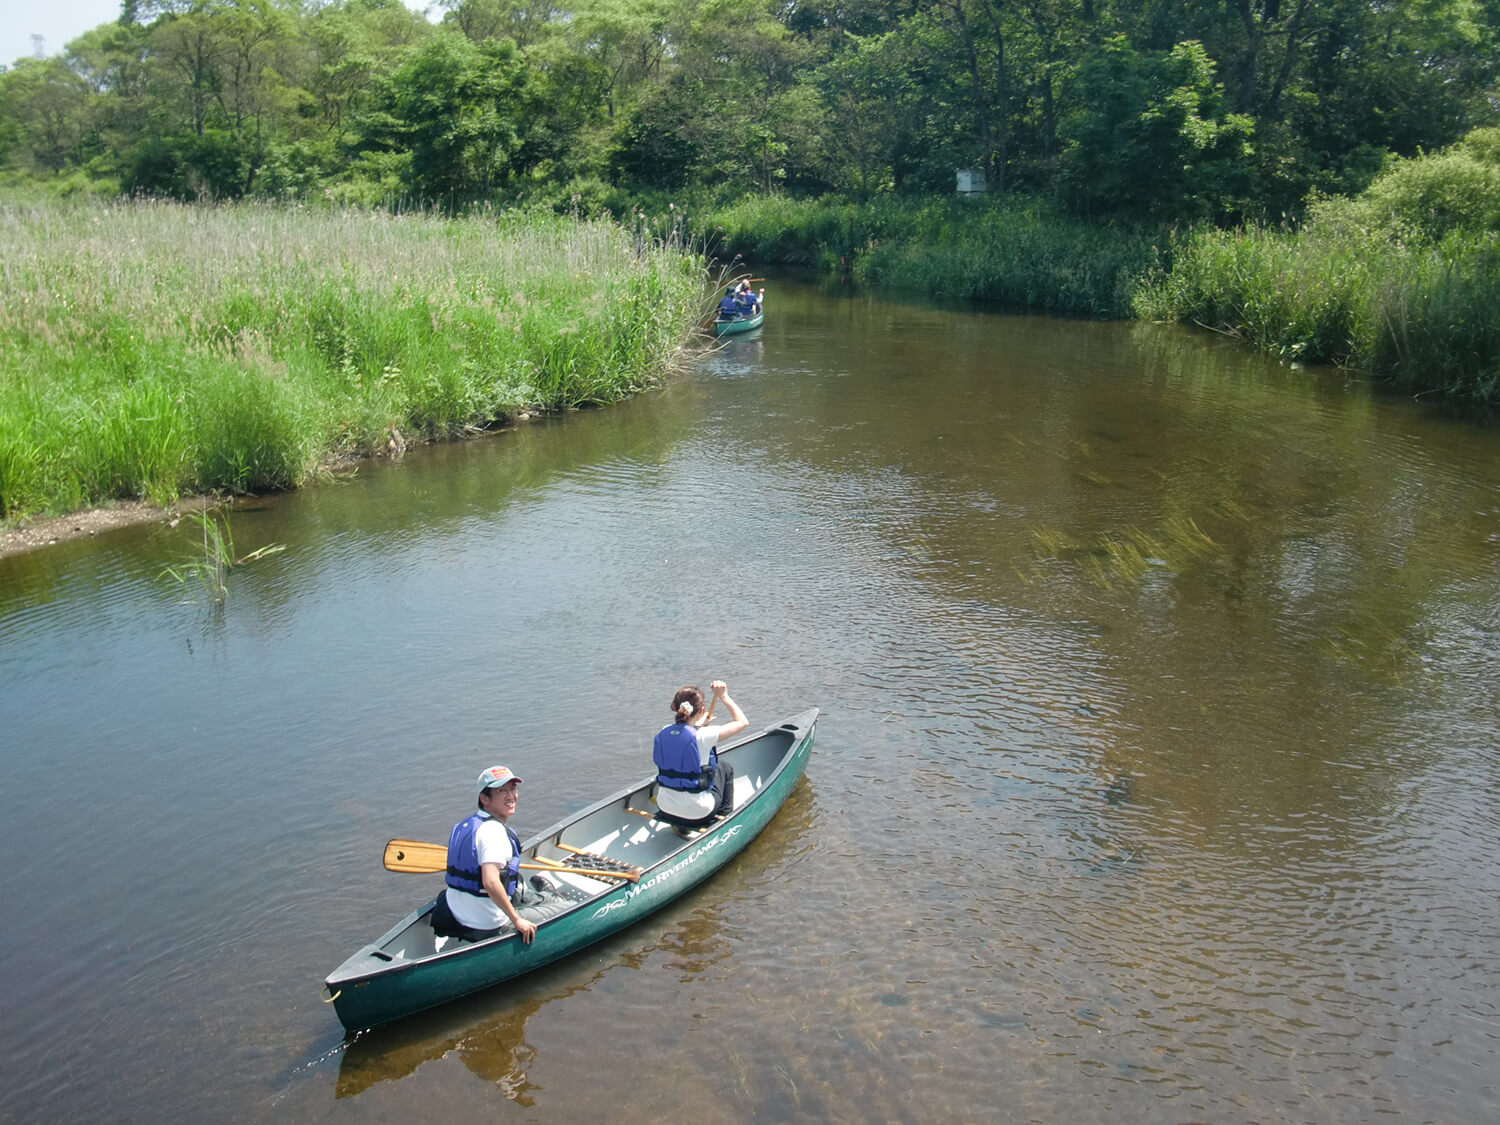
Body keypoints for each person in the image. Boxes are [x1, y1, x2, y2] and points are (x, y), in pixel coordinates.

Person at [430, 766, 539, 944]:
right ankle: (549, 898)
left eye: (513, 789)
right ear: (484, 798)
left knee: (520, 890)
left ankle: (543, 895)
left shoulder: (463, 826)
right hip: (488, 924)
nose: (510, 796)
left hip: (455, 917)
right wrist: (516, 920)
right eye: (502, 791)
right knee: (566, 907)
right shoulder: (493, 832)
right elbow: (490, 882)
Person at [653, 680, 749, 832]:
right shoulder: (704, 735)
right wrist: (724, 696)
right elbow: (742, 722)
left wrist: (699, 724)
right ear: (702, 709)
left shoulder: (664, 731)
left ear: (675, 708)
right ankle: (724, 819)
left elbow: (684, 733)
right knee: (723, 767)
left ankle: (681, 826)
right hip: (699, 813)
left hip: (665, 807)